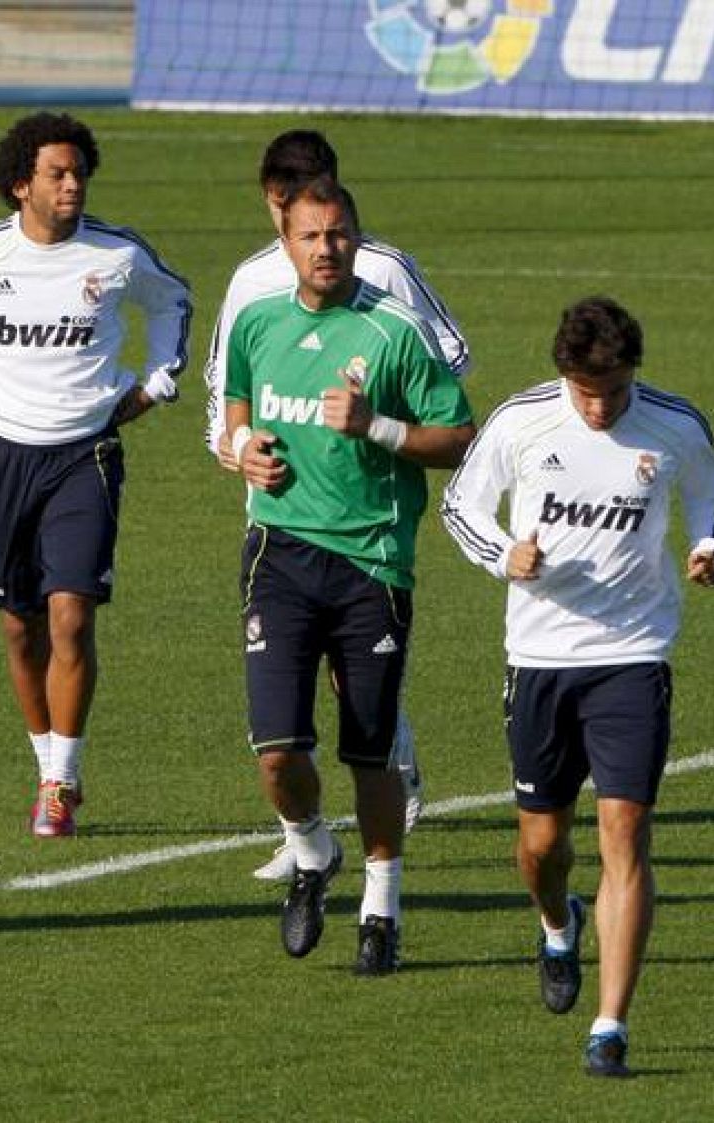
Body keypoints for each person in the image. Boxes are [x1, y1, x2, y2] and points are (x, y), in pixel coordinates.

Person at [440, 296, 714, 1077]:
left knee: (625, 829)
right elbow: (460, 504)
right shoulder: (522, 421)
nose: (599, 406)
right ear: (562, 373)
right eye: (584, 390)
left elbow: (713, 492)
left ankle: (610, 1026)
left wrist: (710, 546)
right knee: (542, 844)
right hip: (539, 657)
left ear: (634, 369)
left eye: (612, 389)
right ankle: (556, 920)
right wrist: (505, 555)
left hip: (635, 655)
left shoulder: (673, 425)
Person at [0, 112, 191, 838]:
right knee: (17, 627)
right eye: (57, 173)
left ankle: (62, 780)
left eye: (79, 171)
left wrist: (157, 383)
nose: (73, 184)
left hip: (86, 453)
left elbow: (174, 303)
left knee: (71, 613)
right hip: (7, 455)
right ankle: (43, 760)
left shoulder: (117, 254)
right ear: (19, 183)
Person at [224, 177, 474, 972]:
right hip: (279, 555)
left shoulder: (395, 332)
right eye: (310, 235)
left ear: (357, 237)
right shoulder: (257, 323)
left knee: (369, 754)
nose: (325, 247)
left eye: (338, 233)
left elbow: (460, 435)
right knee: (276, 751)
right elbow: (236, 406)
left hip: (372, 564)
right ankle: (310, 850)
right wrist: (244, 451)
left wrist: (377, 425)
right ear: (286, 242)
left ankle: (381, 906)